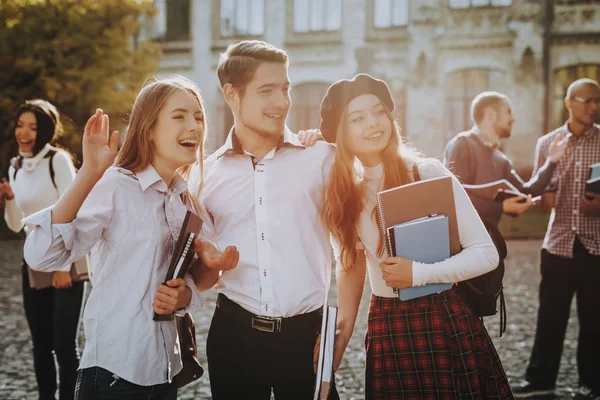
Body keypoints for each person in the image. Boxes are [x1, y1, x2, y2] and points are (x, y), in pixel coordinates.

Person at [22, 76, 238, 400]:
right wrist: (89, 173)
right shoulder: (115, 186)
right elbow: (42, 256)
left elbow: (198, 278)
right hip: (114, 377)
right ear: (149, 129)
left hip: (165, 374)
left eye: (198, 117)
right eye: (179, 116)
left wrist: (186, 294)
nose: (194, 125)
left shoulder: (184, 199)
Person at [318, 74, 513, 399]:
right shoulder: (347, 194)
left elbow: (486, 253)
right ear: (342, 133)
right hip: (386, 323)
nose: (373, 123)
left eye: (379, 112)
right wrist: (344, 326)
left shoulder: (425, 172)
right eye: (358, 117)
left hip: (440, 317)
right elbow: (352, 262)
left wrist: (418, 274)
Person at [188, 40, 336, 400]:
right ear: (232, 95)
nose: (282, 102)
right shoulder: (204, 177)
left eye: (285, 89)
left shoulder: (321, 158)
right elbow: (203, 278)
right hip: (234, 338)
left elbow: (356, 244)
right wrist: (210, 265)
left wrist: (339, 330)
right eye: (267, 90)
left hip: (309, 337)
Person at [514, 78, 600, 400]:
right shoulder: (548, 143)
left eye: (597, 101)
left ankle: (592, 382)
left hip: (596, 244)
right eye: (587, 100)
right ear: (569, 103)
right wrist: (543, 200)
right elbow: (538, 191)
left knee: (594, 320)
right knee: (550, 315)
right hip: (558, 243)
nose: (594, 106)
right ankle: (540, 380)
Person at [0, 99, 85, 400]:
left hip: (65, 260)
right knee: (40, 344)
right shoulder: (15, 166)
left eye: (33, 127)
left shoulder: (57, 161)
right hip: (33, 261)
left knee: (64, 346)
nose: (24, 133)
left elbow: (76, 211)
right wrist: (10, 199)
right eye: (21, 126)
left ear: (46, 130)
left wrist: (63, 266)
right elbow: (16, 225)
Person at [443, 91, 568, 228]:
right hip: (461, 243)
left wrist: (552, 161)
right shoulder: (462, 144)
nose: (513, 119)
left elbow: (526, 192)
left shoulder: (501, 160)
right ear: (490, 115)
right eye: (508, 112)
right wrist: (500, 207)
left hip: (489, 242)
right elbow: (453, 196)